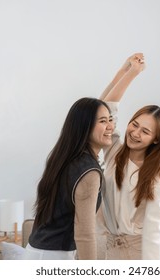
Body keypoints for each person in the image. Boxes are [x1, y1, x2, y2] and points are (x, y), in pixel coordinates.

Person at [98, 53, 160, 260]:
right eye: (134, 124)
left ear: (156, 140)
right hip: (112, 249)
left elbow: (155, 230)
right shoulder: (115, 152)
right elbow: (105, 108)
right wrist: (127, 71)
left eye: (145, 131)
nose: (135, 133)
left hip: (141, 252)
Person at [25, 97, 114, 260]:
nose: (111, 127)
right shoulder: (89, 172)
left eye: (110, 119)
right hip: (53, 257)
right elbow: (85, 233)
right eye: (103, 121)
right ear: (85, 126)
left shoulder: (64, 158)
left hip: (36, 251)